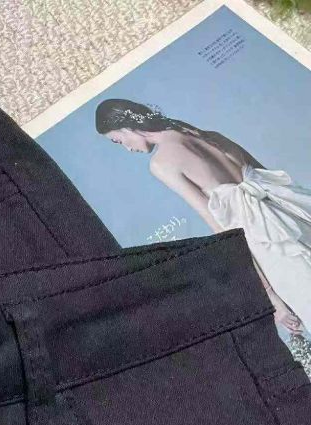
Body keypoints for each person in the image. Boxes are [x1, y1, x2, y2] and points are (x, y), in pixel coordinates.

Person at [96, 98, 311, 334]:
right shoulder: (208, 135)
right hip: (294, 218)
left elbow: (223, 231)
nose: (128, 149)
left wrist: (270, 295)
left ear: (126, 127)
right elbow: (274, 180)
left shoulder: (161, 163)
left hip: (268, 244)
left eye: (118, 141)